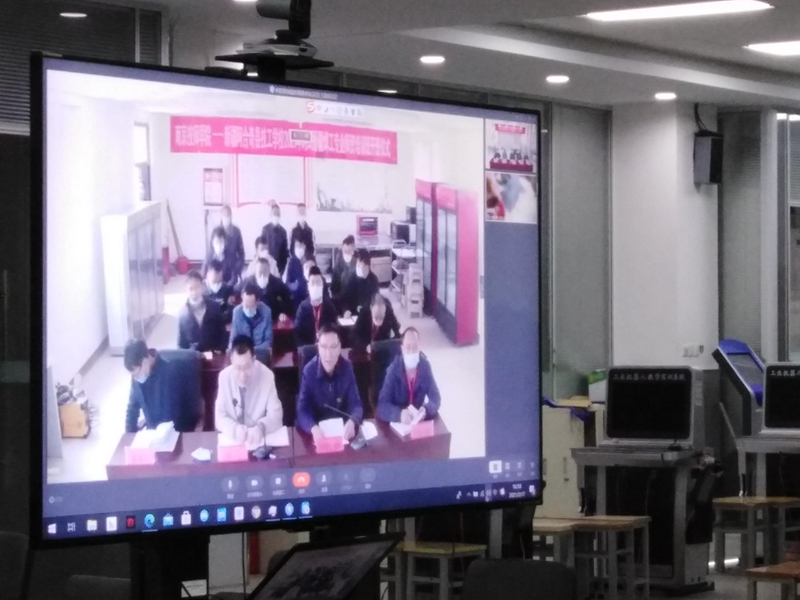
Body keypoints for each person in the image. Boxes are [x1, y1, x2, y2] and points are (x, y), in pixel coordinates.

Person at [296, 324, 363, 442]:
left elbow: (356, 405)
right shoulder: (309, 371)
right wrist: (312, 427)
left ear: (339, 348)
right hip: (317, 434)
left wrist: (353, 421)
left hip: (342, 433)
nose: (328, 354)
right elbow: (302, 410)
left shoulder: (347, 368)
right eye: (324, 347)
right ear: (318, 347)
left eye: (333, 347)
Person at [215, 335, 283, 450]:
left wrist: (261, 427)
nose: (242, 375)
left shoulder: (267, 376)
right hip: (233, 444)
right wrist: (235, 430)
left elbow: (276, 415)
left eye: (247, 367)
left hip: (259, 444)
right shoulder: (224, 377)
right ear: (231, 360)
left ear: (254, 359)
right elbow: (220, 417)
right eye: (238, 368)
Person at [123, 340, 200, 433]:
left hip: (172, 432)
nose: (135, 378)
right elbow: (132, 408)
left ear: (145, 362)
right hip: (153, 433)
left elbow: (171, 415)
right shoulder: (137, 376)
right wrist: (129, 433)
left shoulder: (169, 372)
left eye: (136, 373)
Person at [377, 327, 441, 424]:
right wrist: (399, 414)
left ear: (419, 348)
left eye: (415, 347)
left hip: (417, 422)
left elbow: (435, 397)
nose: (411, 352)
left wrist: (426, 410)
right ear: (402, 349)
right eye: (408, 347)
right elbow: (382, 406)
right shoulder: (393, 370)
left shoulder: (425, 366)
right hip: (398, 424)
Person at [178, 270, 227, 352]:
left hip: (213, 353)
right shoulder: (183, 314)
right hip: (193, 355)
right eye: (190, 288)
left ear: (202, 286)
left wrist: (221, 350)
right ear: (186, 289)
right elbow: (181, 343)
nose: (194, 292)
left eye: (197, 287)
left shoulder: (214, 306)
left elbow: (222, 333)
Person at [238, 258, 294, 322]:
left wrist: (284, 313)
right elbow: (236, 293)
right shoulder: (248, 282)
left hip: (272, 317)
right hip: (251, 318)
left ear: (269, 271)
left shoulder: (277, 283)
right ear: (255, 272)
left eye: (265, 272)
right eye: (260, 272)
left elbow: (288, 299)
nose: (262, 275)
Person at [229, 282, 273, 362]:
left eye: (251, 305)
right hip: (242, 353)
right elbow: (233, 339)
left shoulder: (266, 311)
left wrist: (253, 352)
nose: (248, 308)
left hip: (260, 353)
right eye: (246, 305)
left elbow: (268, 340)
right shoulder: (237, 312)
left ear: (257, 302)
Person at [294, 266, 337, 347]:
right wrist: (305, 348)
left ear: (323, 285)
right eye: (312, 283)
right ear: (308, 286)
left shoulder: (329, 306)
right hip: (308, 348)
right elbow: (297, 333)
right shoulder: (302, 308)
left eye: (318, 283)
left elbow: (334, 329)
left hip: (326, 347)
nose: (315, 286)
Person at [341, 249, 379, 317]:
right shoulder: (352, 277)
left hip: (367, 315)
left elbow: (375, 301)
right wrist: (345, 310)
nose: (359, 268)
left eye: (361, 265)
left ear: (367, 266)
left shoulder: (373, 280)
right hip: (352, 314)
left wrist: (365, 309)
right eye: (357, 265)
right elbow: (345, 297)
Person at [204, 260, 236, 325]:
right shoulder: (202, 289)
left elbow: (229, 310)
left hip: (223, 322)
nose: (216, 276)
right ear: (208, 274)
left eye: (218, 273)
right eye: (214, 273)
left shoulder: (228, 289)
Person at [261, 203, 289, 276]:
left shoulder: (283, 232)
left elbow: (285, 252)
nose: (276, 216)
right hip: (267, 264)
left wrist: (282, 269)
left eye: (278, 214)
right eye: (274, 214)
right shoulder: (265, 230)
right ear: (270, 214)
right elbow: (261, 248)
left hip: (279, 266)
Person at [221, 205, 245, 278]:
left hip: (233, 268)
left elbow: (241, 252)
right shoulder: (217, 231)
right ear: (221, 216)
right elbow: (211, 252)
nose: (226, 217)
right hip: (219, 267)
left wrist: (239, 266)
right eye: (225, 215)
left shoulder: (236, 231)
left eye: (228, 215)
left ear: (231, 216)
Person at [330, 235, 356, 303]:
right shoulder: (337, 266)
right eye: (345, 251)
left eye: (349, 251)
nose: (347, 254)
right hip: (340, 299)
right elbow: (334, 289)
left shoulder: (357, 263)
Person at [284, 239, 308, 309]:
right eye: (297, 246)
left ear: (304, 246)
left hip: (308, 296)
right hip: (296, 298)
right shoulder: (291, 262)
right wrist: (294, 286)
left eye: (300, 246)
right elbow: (287, 282)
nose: (299, 249)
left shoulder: (310, 260)